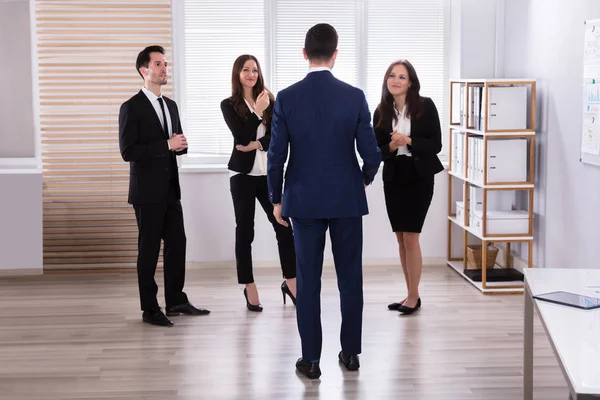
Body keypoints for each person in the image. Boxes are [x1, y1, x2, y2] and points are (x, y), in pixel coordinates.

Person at [267, 24, 381, 379]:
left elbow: (276, 156)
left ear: (304, 54)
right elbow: (373, 155)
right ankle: (350, 354)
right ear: (335, 54)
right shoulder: (355, 96)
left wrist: (275, 198)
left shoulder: (286, 97)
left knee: (309, 280)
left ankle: (311, 360)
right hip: (346, 199)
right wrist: (361, 179)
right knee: (350, 279)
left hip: (302, 201)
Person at [118, 45, 210, 327]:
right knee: (148, 250)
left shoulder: (170, 105)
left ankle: (176, 300)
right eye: (158, 64)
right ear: (144, 71)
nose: (164, 68)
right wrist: (165, 145)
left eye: (165, 64)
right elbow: (128, 151)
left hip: (171, 189)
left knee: (177, 244)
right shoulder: (130, 107)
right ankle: (150, 308)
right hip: (146, 193)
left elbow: (175, 144)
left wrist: (179, 146)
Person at [220, 55, 297, 312]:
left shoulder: (271, 100)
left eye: (254, 70)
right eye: (246, 70)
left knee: (284, 225)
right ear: (238, 74)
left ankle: (292, 281)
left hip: (268, 174)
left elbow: (278, 136)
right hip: (241, 175)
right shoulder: (228, 104)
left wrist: (256, 144)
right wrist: (256, 112)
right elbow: (240, 138)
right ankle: (249, 285)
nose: (251, 74)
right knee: (245, 231)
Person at [372, 59, 444, 315]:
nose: (396, 80)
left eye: (402, 77)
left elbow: (436, 145)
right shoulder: (381, 111)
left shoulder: (425, 106)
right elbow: (377, 151)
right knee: (401, 239)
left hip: (419, 176)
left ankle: (414, 296)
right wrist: (391, 146)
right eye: (392, 75)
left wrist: (409, 140)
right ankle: (409, 293)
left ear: (411, 82)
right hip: (394, 177)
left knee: (411, 238)